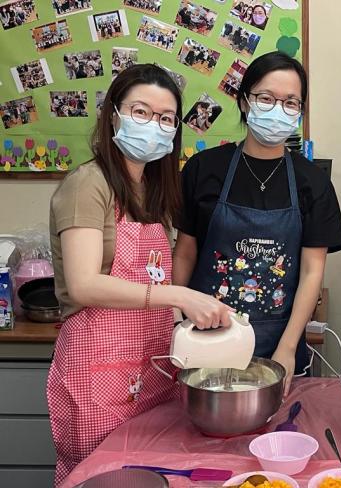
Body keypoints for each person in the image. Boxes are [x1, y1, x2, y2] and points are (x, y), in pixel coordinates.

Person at [47, 64, 233, 486]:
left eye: (166, 118)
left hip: (149, 367)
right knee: (105, 476)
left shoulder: (152, 189)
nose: (154, 126)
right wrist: (179, 296)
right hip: (98, 369)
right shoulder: (88, 184)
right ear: (113, 114)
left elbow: (150, 273)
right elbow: (84, 284)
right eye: (141, 112)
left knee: (153, 474)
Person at [174, 51, 341, 396]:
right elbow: (185, 253)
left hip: (279, 341)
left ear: (299, 112)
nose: (278, 109)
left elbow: (312, 271)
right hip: (206, 340)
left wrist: (288, 347)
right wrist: (179, 320)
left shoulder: (313, 182)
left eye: (291, 102)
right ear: (244, 101)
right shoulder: (203, 169)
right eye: (266, 98)